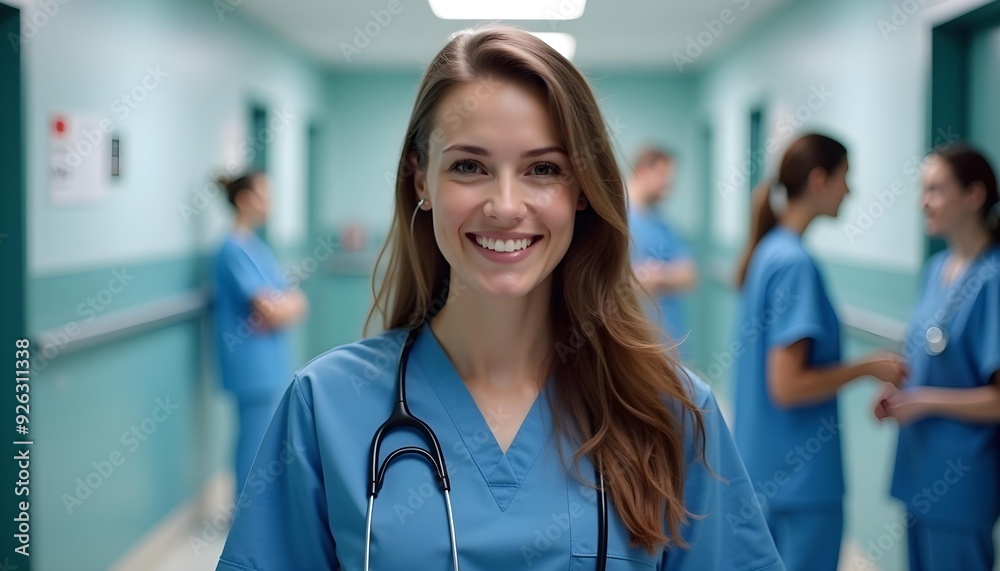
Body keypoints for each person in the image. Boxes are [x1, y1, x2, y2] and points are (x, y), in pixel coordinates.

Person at [217, 26, 783, 571]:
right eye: (469, 166)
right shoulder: (326, 408)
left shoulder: (672, 413)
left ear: (583, 187)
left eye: (543, 169)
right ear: (421, 181)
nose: (506, 205)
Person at [731, 134, 907, 571]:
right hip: (802, 484)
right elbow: (788, 386)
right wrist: (866, 368)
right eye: (845, 178)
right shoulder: (794, 264)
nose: (850, 191)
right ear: (818, 180)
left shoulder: (768, 252)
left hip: (766, 471)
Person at [873, 144, 1000, 571]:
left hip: (963, 480)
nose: (921, 201)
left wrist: (924, 401)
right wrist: (900, 391)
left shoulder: (994, 279)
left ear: (974, 196)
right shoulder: (936, 269)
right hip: (918, 466)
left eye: (935, 189)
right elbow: (928, 355)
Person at [211, 171, 309, 497]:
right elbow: (274, 308)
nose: (270, 203)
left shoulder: (255, 246)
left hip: (267, 356)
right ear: (243, 200)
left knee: (263, 437)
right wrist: (281, 308)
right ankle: (245, 513)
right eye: (263, 195)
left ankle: (254, 510)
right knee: (254, 438)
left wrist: (284, 307)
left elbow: (294, 303)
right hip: (249, 360)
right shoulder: (231, 250)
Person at [627, 147, 698, 356]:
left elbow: (689, 275)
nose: (669, 185)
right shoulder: (615, 221)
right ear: (642, 171)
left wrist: (657, 275)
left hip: (668, 341)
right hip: (634, 344)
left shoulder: (663, 225)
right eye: (663, 176)